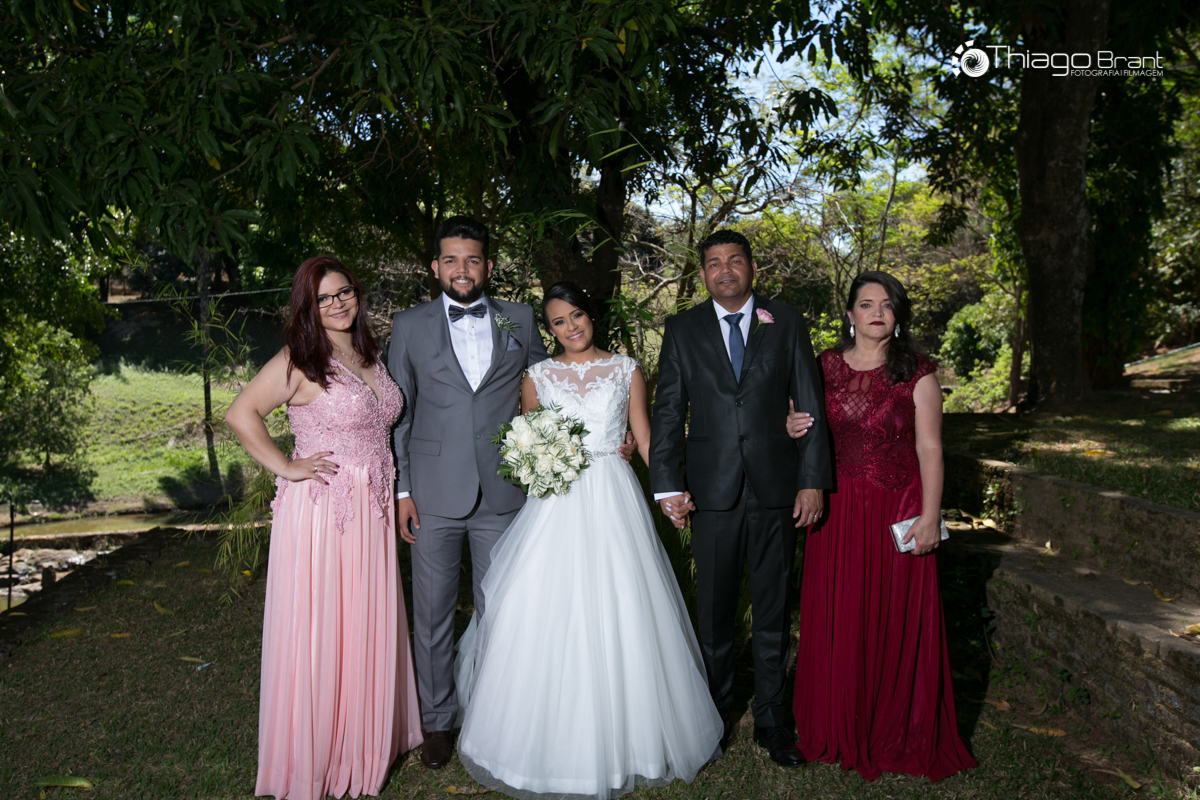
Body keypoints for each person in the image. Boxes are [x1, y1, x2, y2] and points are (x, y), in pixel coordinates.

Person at [457, 281, 723, 799]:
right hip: (556, 503)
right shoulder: (536, 377)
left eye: (576, 315)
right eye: (558, 322)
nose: (570, 327)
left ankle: (634, 740)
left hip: (613, 496)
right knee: (544, 609)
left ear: (590, 315)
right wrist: (539, 463)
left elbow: (643, 436)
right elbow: (527, 440)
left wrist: (668, 490)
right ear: (549, 330)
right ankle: (539, 741)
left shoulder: (626, 370)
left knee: (623, 604)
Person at [226, 256, 422, 800]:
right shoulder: (300, 358)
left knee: (364, 617)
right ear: (307, 307)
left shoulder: (367, 352)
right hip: (325, 510)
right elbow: (241, 414)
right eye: (324, 298)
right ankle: (321, 752)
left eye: (344, 292)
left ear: (357, 294)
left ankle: (365, 737)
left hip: (372, 506)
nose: (337, 304)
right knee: (325, 625)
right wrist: (287, 466)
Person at [648, 230, 833, 768]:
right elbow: (668, 410)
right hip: (711, 490)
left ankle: (773, 720)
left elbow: (810, 402)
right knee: (714, 611)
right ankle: (713, 716)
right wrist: (668, 483)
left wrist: (812, 479)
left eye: (734, 260)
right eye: (713, 262)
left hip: (777, 486)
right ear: (703, 273)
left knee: (773, 610)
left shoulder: (786, 321)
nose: (724, 270)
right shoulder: (682, 328)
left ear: (752, 268)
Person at [790, 271, 976, 781]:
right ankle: (833, 723)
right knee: (838, 613)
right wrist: (789, 425)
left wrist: (932, 516)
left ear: (898, 316)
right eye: (866, 303)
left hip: (897, 509)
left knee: (891, 617)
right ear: (849, 314)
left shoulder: (918, 373)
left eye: (887, 304)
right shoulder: (822, 366)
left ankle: (893, 729)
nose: (877, 312)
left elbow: (930, 448)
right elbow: (801, 428)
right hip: (836, 509)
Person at [386, 217, 555, 769]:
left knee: (500, 611)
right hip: (431, 493)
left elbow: (546, 391)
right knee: (432, 614)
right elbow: (398, 415)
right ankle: (437, 721)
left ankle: (491, 715)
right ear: (435, 266)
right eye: (452, 260)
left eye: (473, 259)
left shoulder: (519, 318)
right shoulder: (408, 326)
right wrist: (402, 489)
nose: (463, 270)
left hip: (503, 492)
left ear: (488, 265)